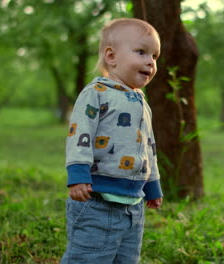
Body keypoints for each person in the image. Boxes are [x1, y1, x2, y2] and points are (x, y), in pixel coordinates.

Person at [60, 18, 163, 264]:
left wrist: (152, 185)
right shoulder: (96, 93)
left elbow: (148, 147)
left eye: (155, 56)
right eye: (141, 52)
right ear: (111, 56)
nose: (151, 61)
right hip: (97, 201)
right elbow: (79, 134)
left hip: (133, 207)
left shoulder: (141, 101)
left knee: (126, 260)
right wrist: (78, 174)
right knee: (87, 258)